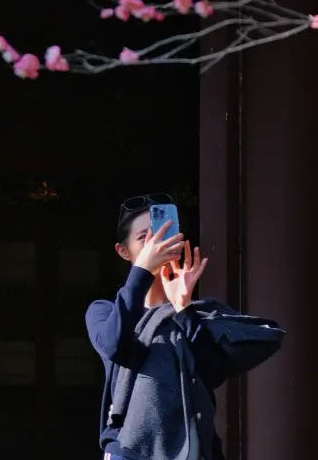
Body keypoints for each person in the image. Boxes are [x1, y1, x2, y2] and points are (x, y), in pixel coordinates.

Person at [85, 194, 284, 460]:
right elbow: (114, 345)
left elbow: (211, 374)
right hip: (130, 450)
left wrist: (183, 309)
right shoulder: (105, 311)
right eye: (145, 238)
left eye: (164, 234)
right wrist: (143, 270)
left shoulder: (198, 311)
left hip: (192, 448)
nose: (157, 244)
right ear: (123, 251)